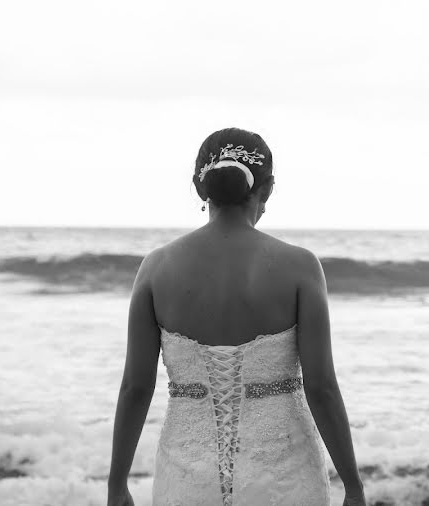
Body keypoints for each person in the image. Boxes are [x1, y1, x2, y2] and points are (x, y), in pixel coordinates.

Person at [107, 128, 365, 506]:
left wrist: (116, 486)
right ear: (269, 188)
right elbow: (322, 387)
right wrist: (353, 486)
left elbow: (135, 388)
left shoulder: (156, 268)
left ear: (200, 188)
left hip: (186, 476)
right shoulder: (300, 267)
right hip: (283, 476)